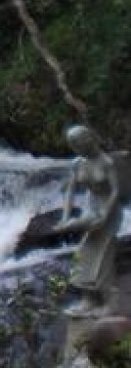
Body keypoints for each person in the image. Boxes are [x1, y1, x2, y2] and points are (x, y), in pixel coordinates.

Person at [54, 124, 123, 313]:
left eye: (79, 142)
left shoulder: (107, 162)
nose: (77, 147)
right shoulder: (77, 163)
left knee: (104, 255)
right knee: (85, 252)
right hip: (91, 208)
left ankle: (110, 303)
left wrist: (105, 215)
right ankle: (89, 299)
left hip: (109, 210)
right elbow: (70, 190)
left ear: (90, 138)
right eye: (73, 144)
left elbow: (116, 191)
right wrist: (65, 217)